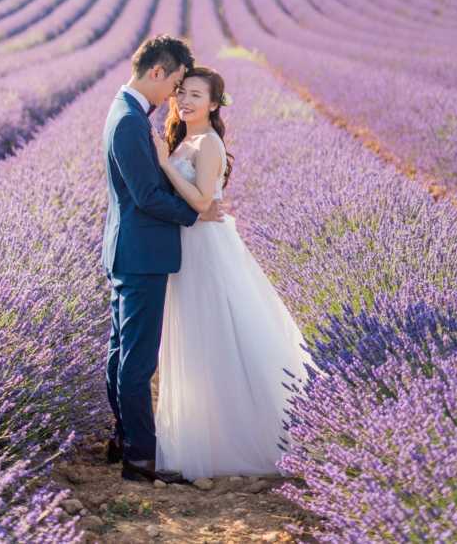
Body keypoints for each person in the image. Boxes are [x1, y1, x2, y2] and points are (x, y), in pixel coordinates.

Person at [150, 65, 318, 481]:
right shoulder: (186, 139)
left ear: (213, 103)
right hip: (189, 244)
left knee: (220, 333)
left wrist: (165, 167)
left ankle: (237, 438)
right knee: (198, 336)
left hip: (207, 248)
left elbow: (203, 200)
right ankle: (202, 433)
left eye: (195, 95)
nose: (185, 101)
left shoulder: (207, 143)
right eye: (182, 93)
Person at [101, 36, 227, 485]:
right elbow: (147, 196)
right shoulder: (130, 122)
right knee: (136, 361)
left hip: (129, 249)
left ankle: (125, 438)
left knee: (121, 353)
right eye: (176, 82)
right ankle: (139, 456)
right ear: (158, 72)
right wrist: (196, 214)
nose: (176, 94)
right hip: (141, 254)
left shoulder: (127, 113)